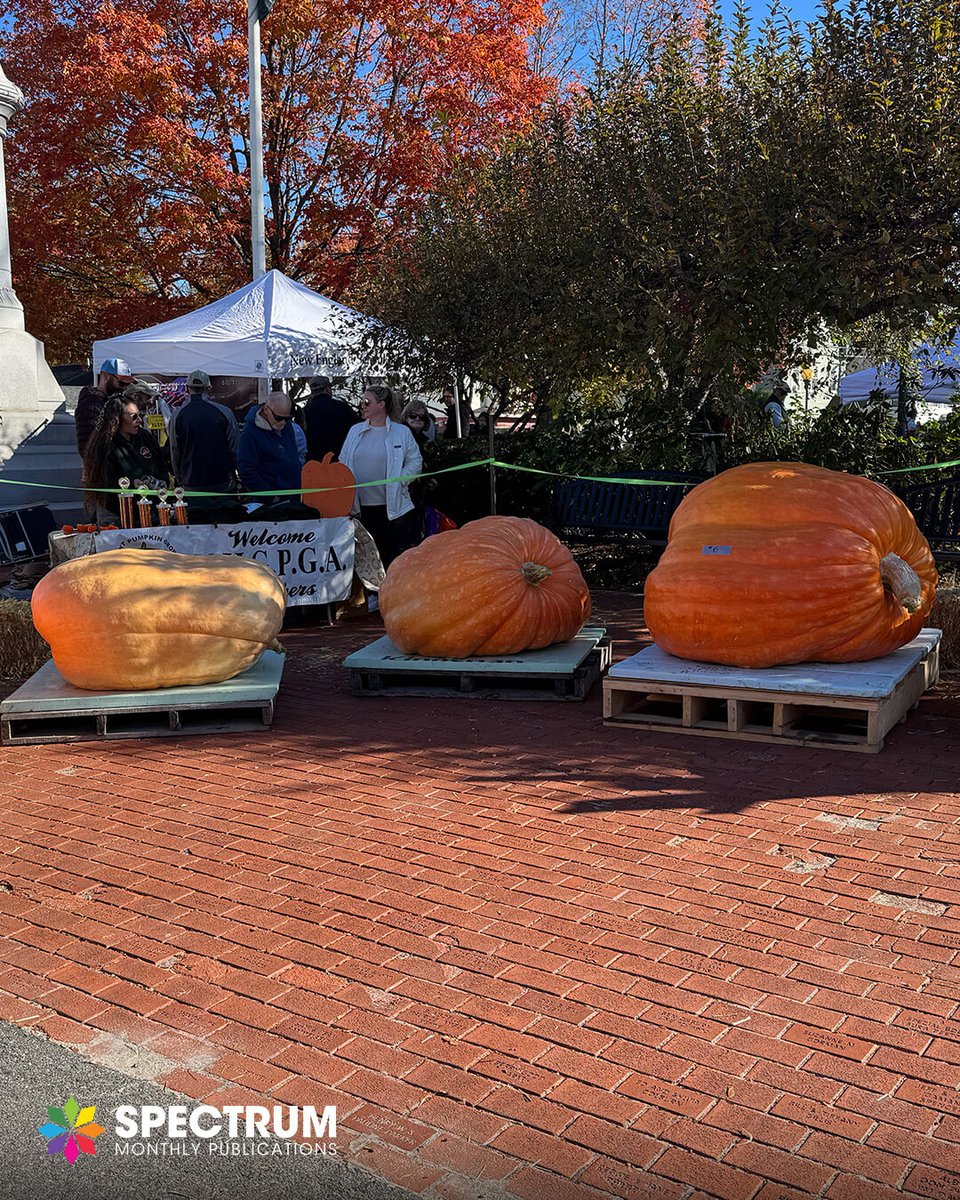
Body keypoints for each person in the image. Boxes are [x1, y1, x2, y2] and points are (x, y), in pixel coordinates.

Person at [338, 385, 422, 567]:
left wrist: (400, 481)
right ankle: (372, 594)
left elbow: (415, 462)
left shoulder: (401, 432)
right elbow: (343, 462)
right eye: (361, 401)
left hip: (393, 509)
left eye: (367, 402)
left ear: (381, 405)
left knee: (393, 557)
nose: (362, 405)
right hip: (360, 508)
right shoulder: (355, 431)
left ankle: (394, 593)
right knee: (366, 559)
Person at [83, 396, 169, 519]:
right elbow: (104, 480)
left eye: (140, 415)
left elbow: (161, 466)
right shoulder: (104, 444)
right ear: (117, 418)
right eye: (133, 416)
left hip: (150, 508)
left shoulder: (145, 437)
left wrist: (159, 482)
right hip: (117, 511)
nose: (139, 420)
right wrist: (132, 482)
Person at [168, 370, 239, 512]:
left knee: (197, 530)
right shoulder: (224, 412)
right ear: (209, 388)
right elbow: (235, 448)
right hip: (223, 484)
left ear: (188, 389)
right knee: (227, 529)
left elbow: (175, 451)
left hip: (192, 485)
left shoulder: (177, 415)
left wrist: (179, 478)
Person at [238, 390, 302, 505]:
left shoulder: (286, 426)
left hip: (293, 494)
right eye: (278, 418)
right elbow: (245, 469)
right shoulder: (250, 433)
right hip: (272, 501)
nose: (282, 422)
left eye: (287, 418)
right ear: (266, 410)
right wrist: (270, 496)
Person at [75, 357, 134, 457]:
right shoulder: (91, 404)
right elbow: (88, 446)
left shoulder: (113, 401)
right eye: (122, 383)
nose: (125, 387)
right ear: (105, 377)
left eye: (128, 383)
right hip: (104, 467)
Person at [303, 375, 361, 461]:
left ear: (312, 392)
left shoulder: (304, 412)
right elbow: (357, 430)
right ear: (327, 389)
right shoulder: (343, 407)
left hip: (313, 464)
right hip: (340, 461)